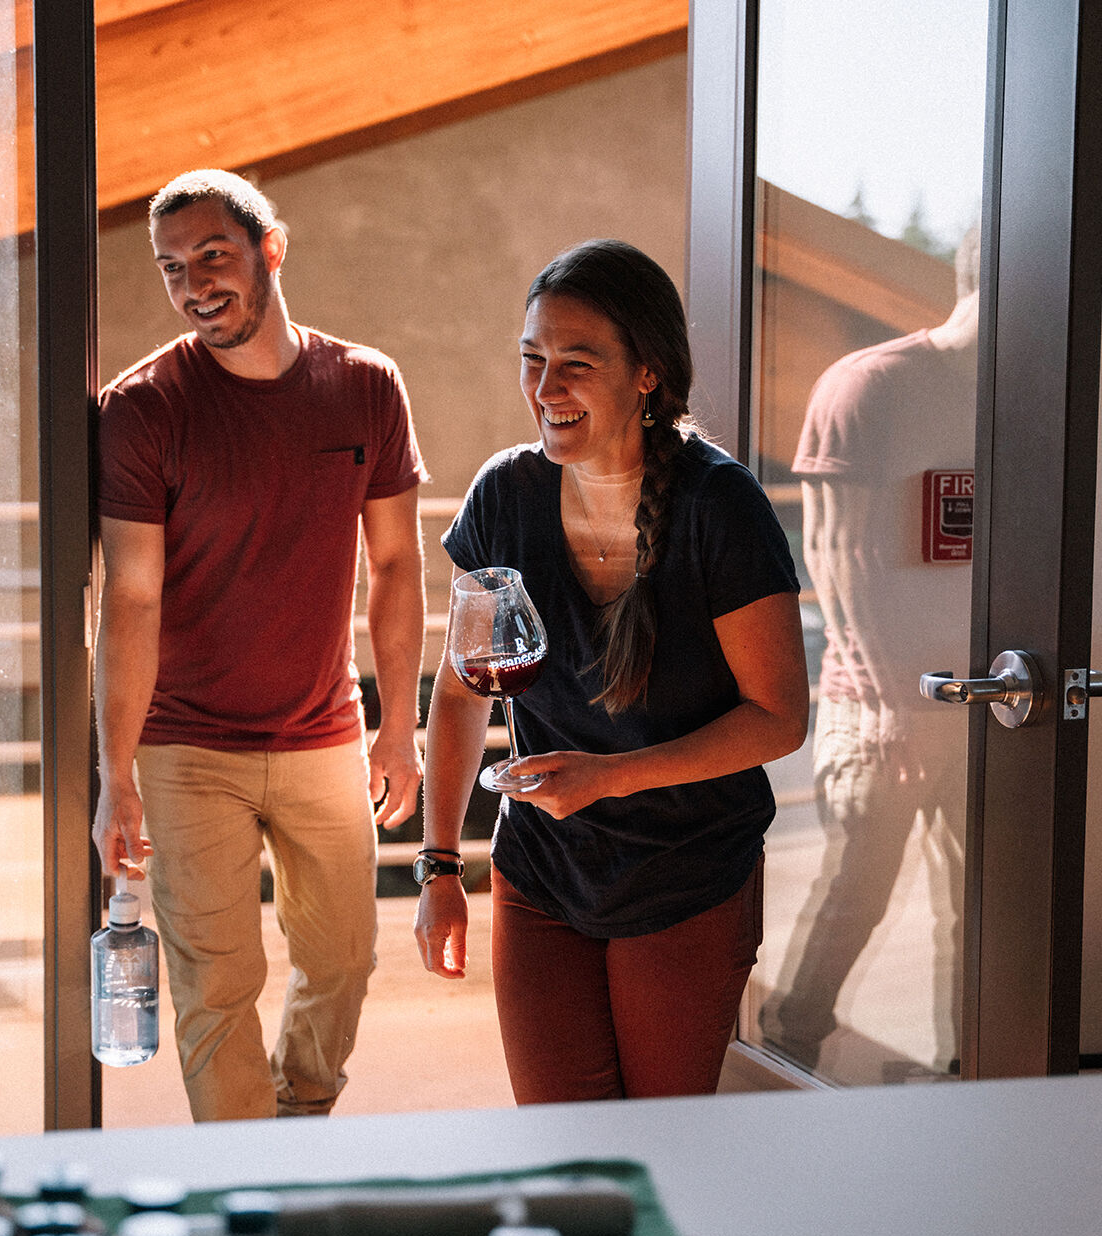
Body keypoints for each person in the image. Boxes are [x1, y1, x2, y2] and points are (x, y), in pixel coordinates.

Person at [413, 240, 809, 1102]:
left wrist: (612, 777)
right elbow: (455, 691)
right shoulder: (503, 496)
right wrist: (439, 866)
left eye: (576, 365)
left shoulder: (719, 507)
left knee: (663, 1150)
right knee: (565, 1155)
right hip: (544, 871)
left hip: (688, 874)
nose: (545, 388)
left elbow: (779, 717)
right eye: (533, 360)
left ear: (647, 375)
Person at [93, 169, 428, 1122]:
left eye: (213, 255)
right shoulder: (145, 407)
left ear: (270, 249)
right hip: (187, 747)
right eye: (171, 268)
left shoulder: (365, 385)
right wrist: (117, 772)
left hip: (325, 733)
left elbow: (396, 569)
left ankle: (301, 1113)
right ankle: (248, 1184)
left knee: (345, 959)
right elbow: (132, 595)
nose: (194, 283)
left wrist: (394, 727)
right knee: (217, 984)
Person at [758, 229, 979, 1076]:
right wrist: (894, 708)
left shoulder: (1021, 390)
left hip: (990, 695)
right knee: (859, 894)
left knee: (980, 905)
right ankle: (780, 1058)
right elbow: (836, 554)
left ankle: (974, 1074)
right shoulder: (872, 385)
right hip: (881, 702)